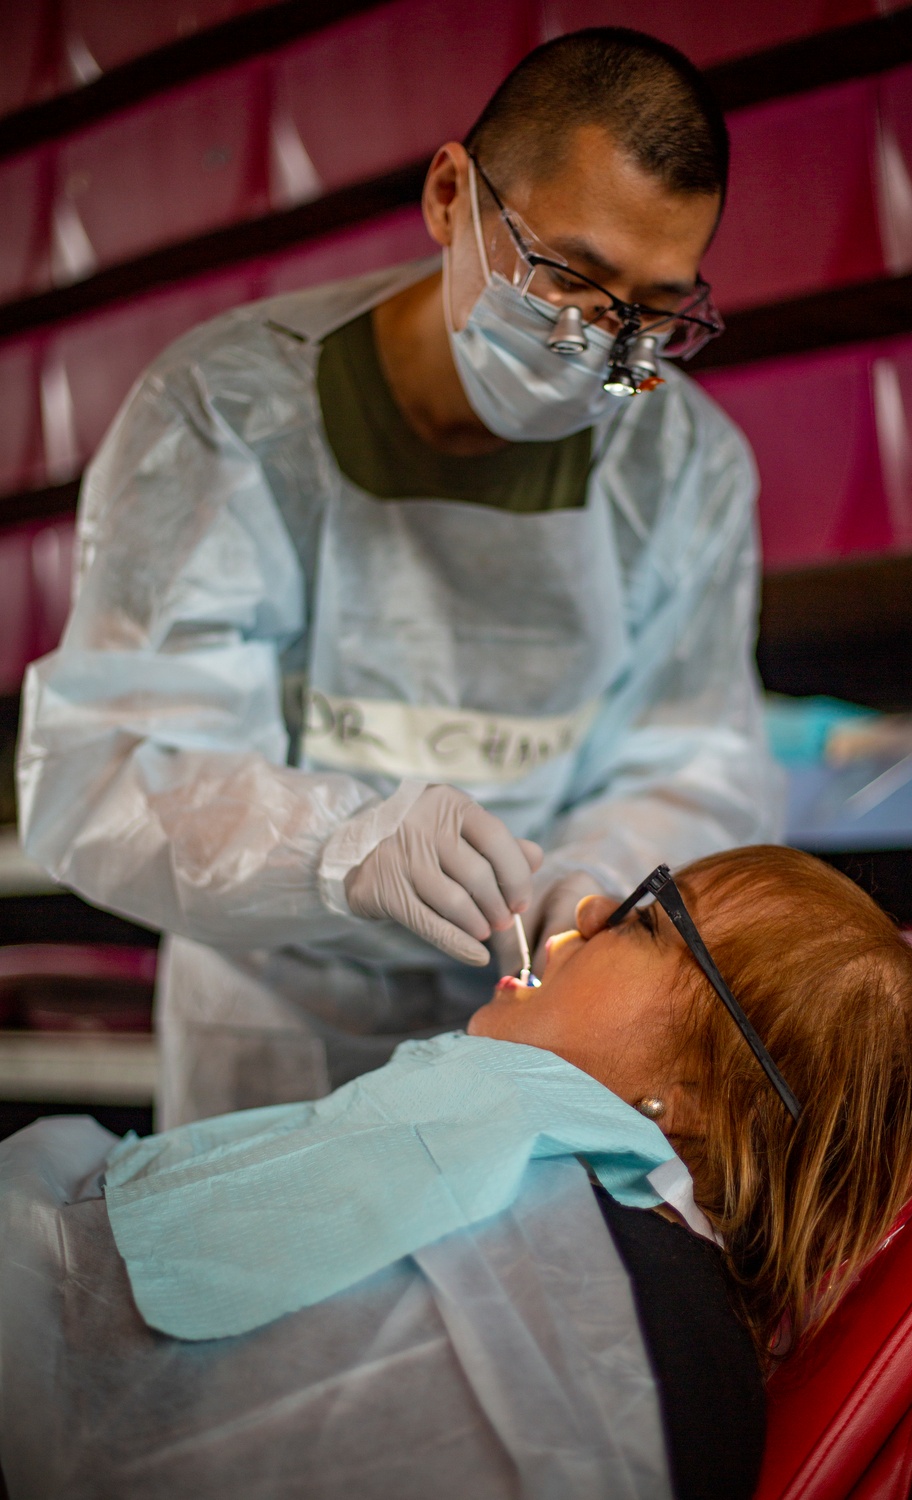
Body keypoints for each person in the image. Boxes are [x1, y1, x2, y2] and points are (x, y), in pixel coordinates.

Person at [17, 28, 783, 1128]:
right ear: (447, 196)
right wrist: (337, 850)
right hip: (279, 1031)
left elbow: (696, 758)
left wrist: (596, 874)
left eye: (651, 311)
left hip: (534, 1031)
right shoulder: (227, 416)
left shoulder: (684, 469)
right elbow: (112, 769)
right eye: (569, 278)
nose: (597, 342)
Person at [0, 847, 912, 1500]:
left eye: (644, 919)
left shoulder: (613, 1333)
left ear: (709, 1091)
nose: (589, 906)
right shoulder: (626, 1279)